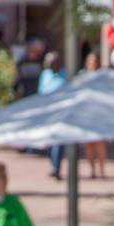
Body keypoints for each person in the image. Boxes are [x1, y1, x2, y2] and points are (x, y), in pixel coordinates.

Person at [38, 52, 68, 180]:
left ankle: (56, 168)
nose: (48, 65)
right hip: (47, 112)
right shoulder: (45, 74)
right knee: (50, 142)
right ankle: (53, 164)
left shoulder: (65, 75)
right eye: (47, 62)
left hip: (60, 113)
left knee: (58, 142)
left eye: (51, 62)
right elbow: (41, 91)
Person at [82, 54, 107, 178]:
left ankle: (102, 169)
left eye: (95, 62)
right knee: (89, 144)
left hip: (99, 114)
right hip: (87, 115)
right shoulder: (84, 78)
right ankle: (92, 170)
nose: (93, 64)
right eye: (91, 62)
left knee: (99, 144)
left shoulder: (103, 78)